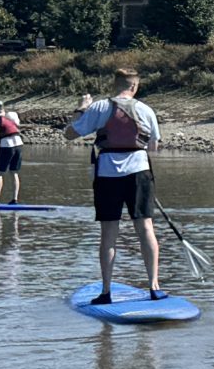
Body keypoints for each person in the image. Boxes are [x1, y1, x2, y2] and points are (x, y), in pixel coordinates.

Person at [66, 70, 165, 304]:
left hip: (108, 174)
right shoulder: (146, 110)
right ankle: (154, 286)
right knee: (146, 229)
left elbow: (69, 134)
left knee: (109, 234)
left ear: (115, 85)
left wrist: (82, 108)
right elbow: (153, 148)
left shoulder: (99, 108)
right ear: (135, 87)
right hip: (139, 172)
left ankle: (106, 291)